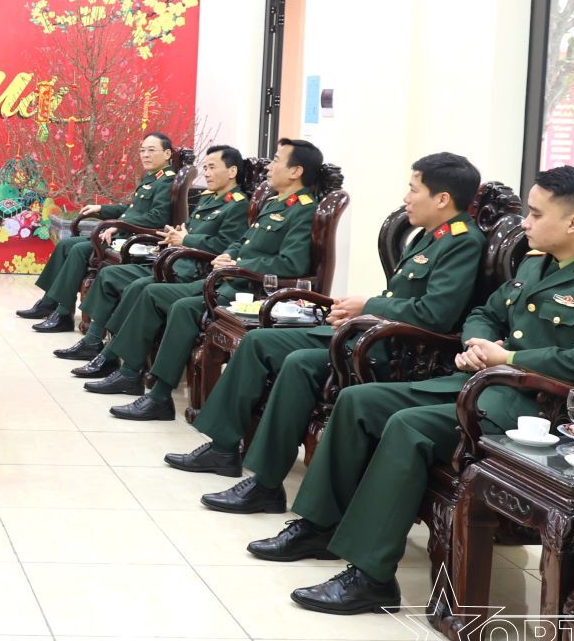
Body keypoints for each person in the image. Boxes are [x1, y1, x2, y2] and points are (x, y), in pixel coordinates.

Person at [250, 166, 574, 615]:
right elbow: (485, 313)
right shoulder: (535, 263)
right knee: (357, 401)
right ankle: (318, 526)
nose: (525, 222)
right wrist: (478, 345)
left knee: (409, 426)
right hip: (476, 384)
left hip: (530, 410)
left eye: (537, 214)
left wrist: (509, 358)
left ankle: (371, 577)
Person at [181, 153, 486, 512]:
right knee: (259, 340)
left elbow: (435, 314)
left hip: (394, 349)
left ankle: (265, 483)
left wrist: (369, 307)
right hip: (369, 331)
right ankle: (224, 448)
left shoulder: (463, 241)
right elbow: (404, 298)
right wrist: (357, 309)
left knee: (298, 364)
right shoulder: (430, 236)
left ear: (442, 198)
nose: (406, 198)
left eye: (413, 189)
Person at [88, 138, 325, 421]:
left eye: (276, 160)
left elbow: (291, 263)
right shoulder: (276, 203)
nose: (269, 167)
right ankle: (128, 372)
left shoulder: (303, 210)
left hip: (248, 290)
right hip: (225, 279)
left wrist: (238, 264)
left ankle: (158, 396)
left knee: (180, 306)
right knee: (151, 292)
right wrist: (229, 256)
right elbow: (244, 242)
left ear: (295, 171)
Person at [61, 145, 252, 376]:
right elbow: (188, 231)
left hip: (192, 270)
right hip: (172, 261)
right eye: (205, 167)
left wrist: (186, 239)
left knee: (139, 288)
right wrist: (176, 236)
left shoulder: (238, 205)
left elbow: (225, 246)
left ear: (232, 171)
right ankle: (94, 342)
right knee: (110, 274)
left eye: (212, 167)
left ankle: (111, 356)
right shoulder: (208, 198)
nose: (207, 173)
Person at [17, 132, 179, 333]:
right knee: (65, 244)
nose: (145, 155)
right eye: (142, 150)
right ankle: (49, 302)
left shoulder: (167, 182)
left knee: (78, 250)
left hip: (136, 240)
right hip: (125, 233)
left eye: (151, 150)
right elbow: (132, 210)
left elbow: (157, 217)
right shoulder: (152, 177)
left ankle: (63, 313)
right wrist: (101, 209)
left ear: (167, 154)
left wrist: (120, 225)